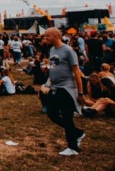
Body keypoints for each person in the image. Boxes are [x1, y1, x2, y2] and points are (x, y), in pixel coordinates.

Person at [40, 27, 85, 156]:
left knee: (67, 116)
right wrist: (48, 74)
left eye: (47, 36)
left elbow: (76, 72)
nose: (45, 38)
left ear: (55, 36)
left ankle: (73, 147)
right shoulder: (52, 50)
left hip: (67, 88)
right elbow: (54, 66)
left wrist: (80, 93)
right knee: (52, 113)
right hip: (55, 87)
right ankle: (77, 133)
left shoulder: (68, 50)